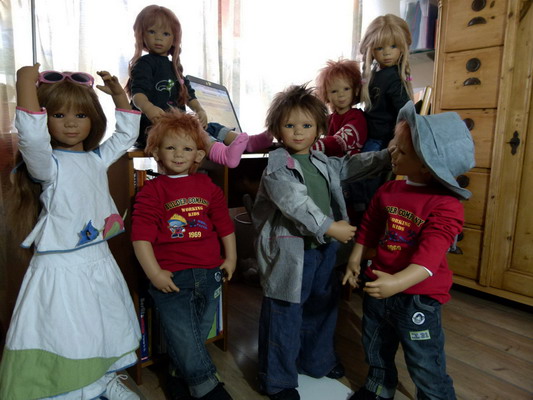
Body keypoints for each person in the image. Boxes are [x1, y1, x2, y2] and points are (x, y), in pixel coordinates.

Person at [0, 64, 142, 399]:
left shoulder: (96, 158)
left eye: (80, 115)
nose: (70, 123)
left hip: (98, 257)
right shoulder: (47, 166)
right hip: (61, 263)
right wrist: (24, 82)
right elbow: (32, 139)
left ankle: (103, 379)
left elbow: (126, 136)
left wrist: (120, 97)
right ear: (45, 118)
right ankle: (74, 391)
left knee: (102, 321)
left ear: (93, 119)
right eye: (58, 114)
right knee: (66, 330)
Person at [251, 84, 391, 400]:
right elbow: (295, 203)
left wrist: (385, 156)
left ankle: (316, 360)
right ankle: (277, 379)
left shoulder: (321, 161)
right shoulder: (277, 167)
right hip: (291, 254)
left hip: (323, 251)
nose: (298, 132)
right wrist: (330, 226)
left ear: (319, 128)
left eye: (306, 125)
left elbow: (350, 165)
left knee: (322, 307)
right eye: (289, 125)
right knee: (284, 313)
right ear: (277, 129)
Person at [342, 101, 475, 400]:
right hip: (379, 286)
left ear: (427, 166)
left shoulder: (446, 206)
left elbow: (429, 260)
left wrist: (397, 282)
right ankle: (379, 387)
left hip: (418, 298)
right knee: (376, 345)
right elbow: (370, 225)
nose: (392, 152)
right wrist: (355, 258)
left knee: (424, 359)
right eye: (394, 145)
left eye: (401, 151)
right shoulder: (389, 190)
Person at [131, 108, 236, 400]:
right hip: (173, 279)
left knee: (194, 335)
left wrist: (231, 258)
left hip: (210, 273)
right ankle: (208, 388)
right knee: (184, 336)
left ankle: (178, 379)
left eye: (187, 148)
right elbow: (140, 237)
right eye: (170, 148)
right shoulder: (152, 191)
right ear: (156, 152)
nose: (179, 154)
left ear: (199, 155)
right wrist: (154, 273)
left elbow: (224, 225)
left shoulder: (207, 186)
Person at [126, 4, 272, 165]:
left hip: (175, 127)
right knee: (193, 132)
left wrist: (200, 110)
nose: (158, 38)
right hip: (152, 129)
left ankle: (247, 143)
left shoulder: (173, 67)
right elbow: (137, 95)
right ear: (141, 35)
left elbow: (189, 94)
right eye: (152, 32)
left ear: (174, 39)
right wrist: (149, 108)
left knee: (208, 126)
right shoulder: (144, 63)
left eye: (166, 34)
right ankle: (222, 155)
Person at [360, 14, 414, 152]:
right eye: (380, 48)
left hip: (381, 141)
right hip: (368, 135)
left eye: (393, 46)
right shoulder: (374, 74)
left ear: (402, 47)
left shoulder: (393, 78)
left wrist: (397, 139)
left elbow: (405, 114)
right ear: (371, 50)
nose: (387, 53)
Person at [313, 58, 367, 156]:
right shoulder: (331, 118)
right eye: (334, 91)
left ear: (355, 91)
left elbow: (338, 142)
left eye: (346, 89)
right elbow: (313, 127)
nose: (341, 95)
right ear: (326, 95)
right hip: (333, 162)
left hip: (350, 163)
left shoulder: (357, 118)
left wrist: (310, 147)